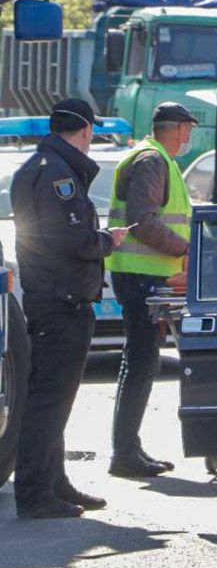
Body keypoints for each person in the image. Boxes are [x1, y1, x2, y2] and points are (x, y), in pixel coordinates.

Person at [11, 99, 130, 518]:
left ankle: (53, 482)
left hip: (52, 297)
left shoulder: (41, 166)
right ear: (84, 131)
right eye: (92, 133)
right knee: (49, 399)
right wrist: (108, 242)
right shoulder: (59, 175)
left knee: (54, 397)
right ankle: (34, 491)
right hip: (60, 301)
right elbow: (73, 240)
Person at [105, 102, 196, 477]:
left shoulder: (157, 159)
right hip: (143, 277)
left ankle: (127, 450)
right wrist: (186, 249)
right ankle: (125, 454)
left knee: (140, 362)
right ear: (176, 129)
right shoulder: (152, 160)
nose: (189, 136)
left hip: (143, 275)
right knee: (141, 363)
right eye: (187, 129)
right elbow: (143, 221)